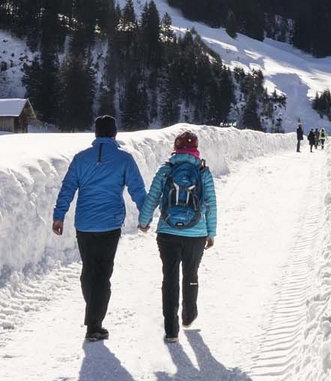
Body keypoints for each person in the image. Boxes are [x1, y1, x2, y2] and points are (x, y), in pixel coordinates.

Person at [53, 115, 148, 342]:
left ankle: (93, 316)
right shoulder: (124, 159)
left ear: (95, 134)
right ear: (114, 134)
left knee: (89, 269)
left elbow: (67, 189)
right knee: (103, 273)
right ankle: (95, 325)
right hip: (110, 224)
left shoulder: (80, 159)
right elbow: (137, 189)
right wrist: (144, 217)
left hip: (84, 223)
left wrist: (59, 216)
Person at [138, 130, 218, 344]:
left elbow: (153, 197)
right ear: (196, 149)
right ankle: (189, 316)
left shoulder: (166, 169)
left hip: (167, 232)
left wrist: (144, 222)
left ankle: (171, 330)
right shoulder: (203, 172)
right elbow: (210, 205)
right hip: (196, 233)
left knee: (170, 277)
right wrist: (211, 233)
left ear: (176, 148)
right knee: (191, 274)